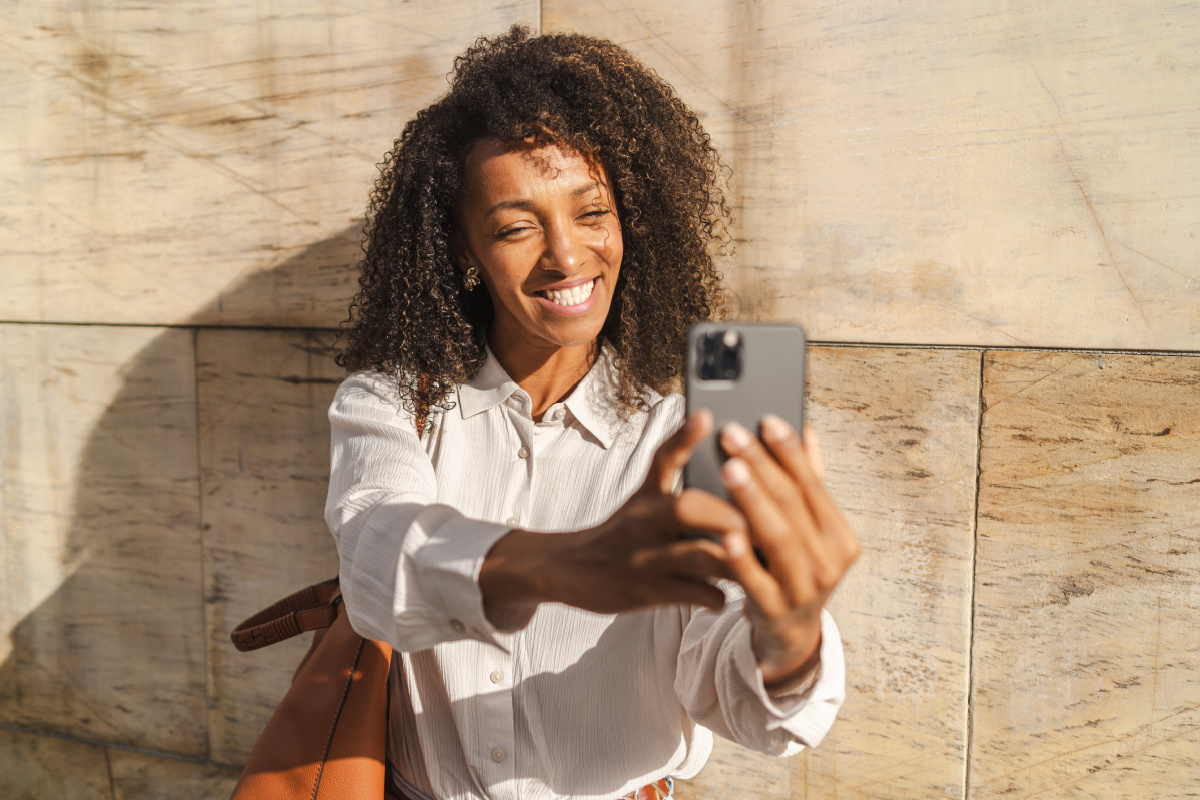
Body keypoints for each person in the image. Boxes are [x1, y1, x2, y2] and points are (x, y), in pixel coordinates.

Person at [326, 26, 860, 800]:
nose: (567, 257)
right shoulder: (394, 404)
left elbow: (753, 706)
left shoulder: (683, 440)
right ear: (464, 251)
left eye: (592, 213)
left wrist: (791, 635)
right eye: (515, 226)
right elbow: (378, 559)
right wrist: (572, 566)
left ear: (632, 223)